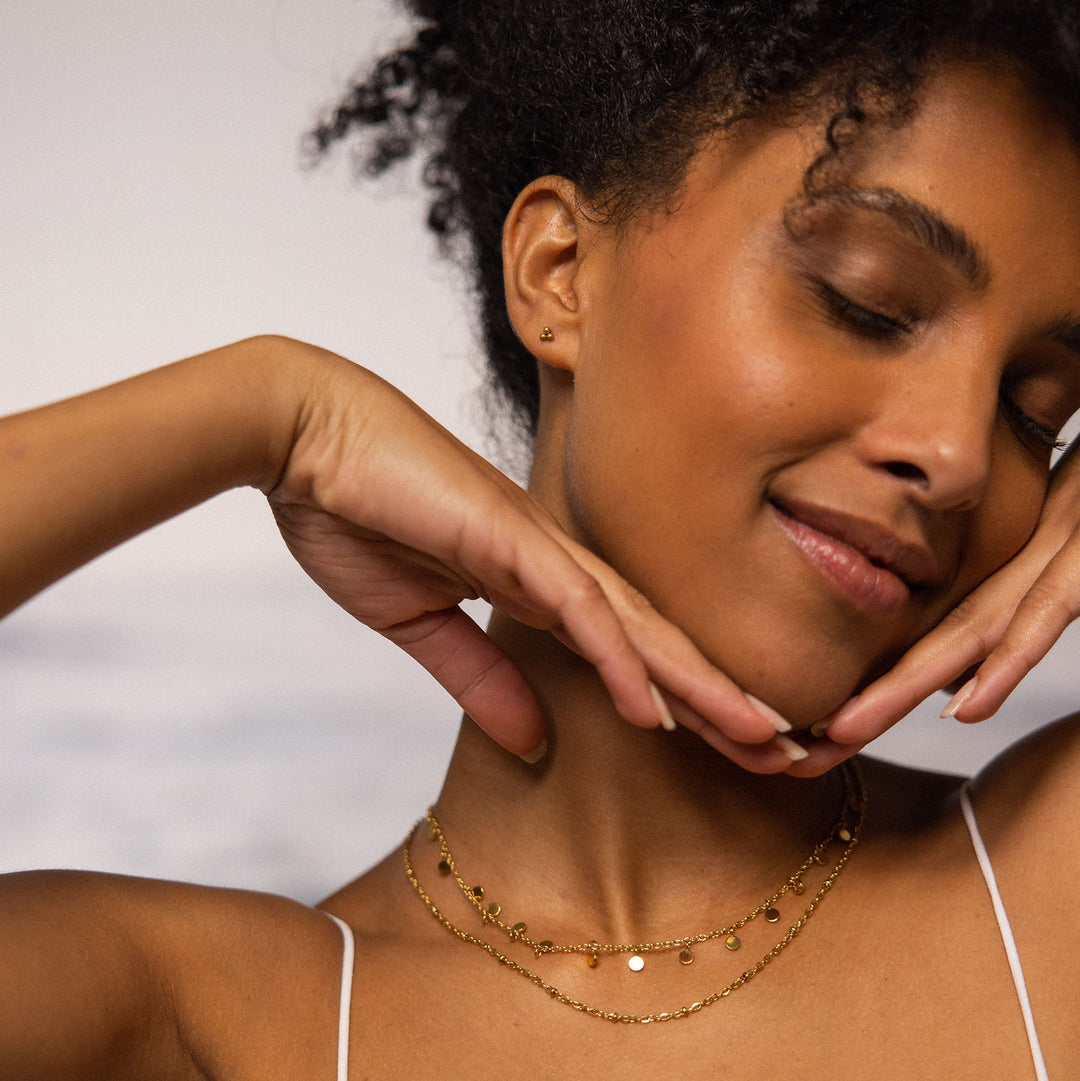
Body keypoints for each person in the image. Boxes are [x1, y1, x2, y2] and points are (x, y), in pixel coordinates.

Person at [2, 1, 1080, 1076]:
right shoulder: (212, 1019)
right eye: (868, 304)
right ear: (559, 272)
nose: (960, 457)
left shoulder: (1045, 887)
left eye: (1037, 410)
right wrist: (267, 412)